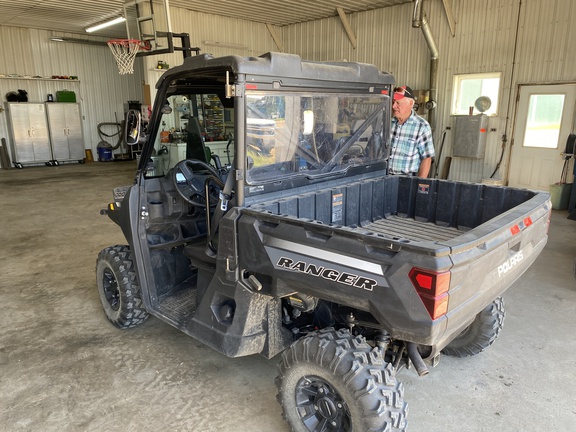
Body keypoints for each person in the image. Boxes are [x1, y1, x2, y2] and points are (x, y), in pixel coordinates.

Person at [388, 85, 435, 177]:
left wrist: (419, 185)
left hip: (407, 179)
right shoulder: (388, 123)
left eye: (398, 103)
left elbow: (427, 158)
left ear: (410, 103)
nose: (393, 106)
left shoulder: (422, 127)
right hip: (385, 177)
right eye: (393, 102)